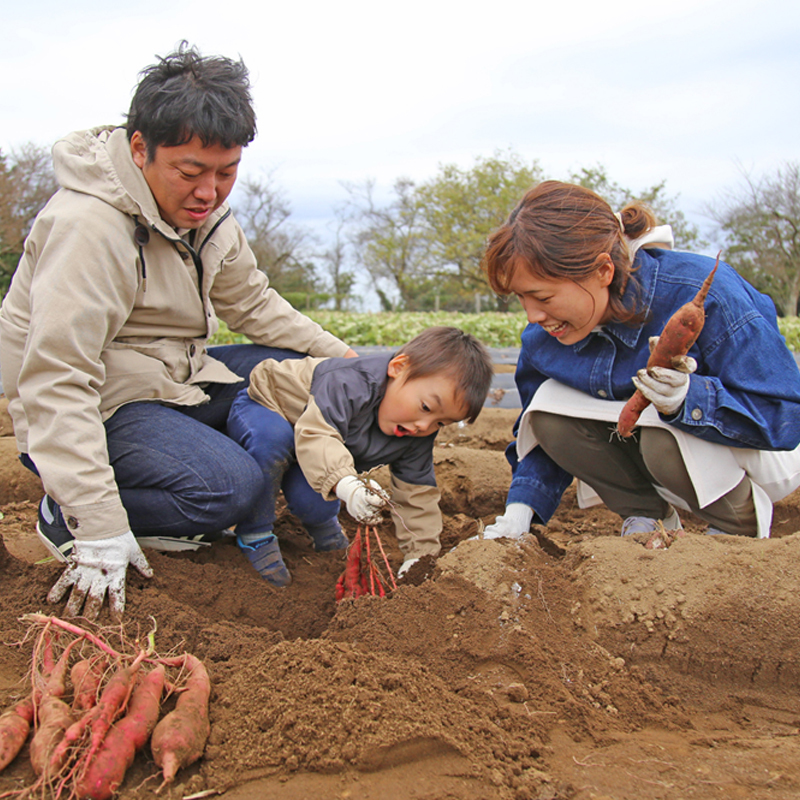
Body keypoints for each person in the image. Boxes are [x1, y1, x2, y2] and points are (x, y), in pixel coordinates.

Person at [0, 43, 358, 620]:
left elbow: (254, 302)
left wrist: (344, 359)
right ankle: (63, 512)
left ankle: (191, 473)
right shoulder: (88, 229)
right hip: (95, 402)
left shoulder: (206, 216)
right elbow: (56, 382)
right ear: (140, 148)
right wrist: (98, 524)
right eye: (190, 172)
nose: (209, 192)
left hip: (173, 377)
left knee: (311, 379)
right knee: (232, 489)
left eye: (227, 172)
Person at [479, 181, 800, 543]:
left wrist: (690, 399)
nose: (532, 314)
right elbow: (537, 436)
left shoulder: (708, 295)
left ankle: (736, 524)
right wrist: (521, 508)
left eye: (542, 296)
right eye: (521, 297)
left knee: (661, 435)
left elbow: (784, 418)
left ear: (603, 271)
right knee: (545, 413)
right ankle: (646, 514)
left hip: (759, 453)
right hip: (659, 447)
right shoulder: (542, 338)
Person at [225, 326, 494, 584]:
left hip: (312, 442)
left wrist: (419, 556)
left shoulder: (416, 434)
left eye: (441, 423)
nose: (425, 426)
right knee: (273, 442)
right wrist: (347, 484)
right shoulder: (349, 383)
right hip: (269, 407)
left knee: (316, 499)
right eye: (426, 407)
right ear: (398, 368)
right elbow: (318, 435)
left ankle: (323, 525)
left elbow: (417, 494)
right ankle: (255, 533)